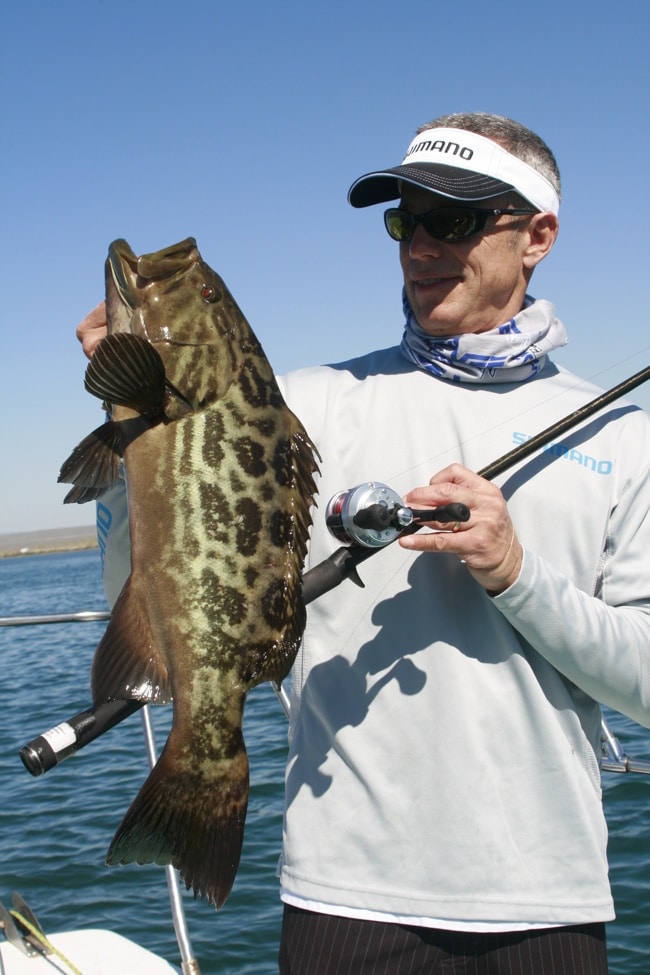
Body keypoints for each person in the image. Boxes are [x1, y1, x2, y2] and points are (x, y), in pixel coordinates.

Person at [77, 112, 650, 974]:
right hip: (343, 891)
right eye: (404, 219)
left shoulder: (624, 435)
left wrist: (515, 572)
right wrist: (130, 436)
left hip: (546, 894)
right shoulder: (301, 405)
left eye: (451, 220)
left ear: (538, 235)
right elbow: (150, 578)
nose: (420, 245)